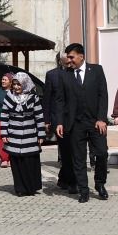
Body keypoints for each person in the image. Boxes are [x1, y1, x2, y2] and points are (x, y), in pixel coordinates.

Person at [54, 42, 109, 202]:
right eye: (68, 57)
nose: (69, 60)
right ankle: (83, 190)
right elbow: (60, 100)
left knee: (102, 153)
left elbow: (103, 95)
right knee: (78, 158)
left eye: (71, 57)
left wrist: (101, 118)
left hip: (95, 122)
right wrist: (59, 122)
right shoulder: (65, 75)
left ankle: (100, 183)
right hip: (75, 123)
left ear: (81, 56)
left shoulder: (97, 70)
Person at [0, 72, 45, 196]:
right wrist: (4, 134)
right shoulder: (9, 97)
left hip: (30, 135)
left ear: (25, 84)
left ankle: (31, 188)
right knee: (17, 164)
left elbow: (39, 116)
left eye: (19, 84)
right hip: (14, 135)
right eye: (14, 84)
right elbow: (4, 116)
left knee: (30, 163)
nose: (16, 87)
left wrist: (41, 135)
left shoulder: (33, 97)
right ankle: (20, 189)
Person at [45, 54, 75, 192]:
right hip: (59, 119)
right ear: (60, 61)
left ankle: (65, 179)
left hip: (74, 118)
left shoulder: (76, 73)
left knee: (73, 151)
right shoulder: (52, 75)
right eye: (66, 60)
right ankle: (68, 180)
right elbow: (47, 98)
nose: (69, 62)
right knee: (65, 151)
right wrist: (47, 120)